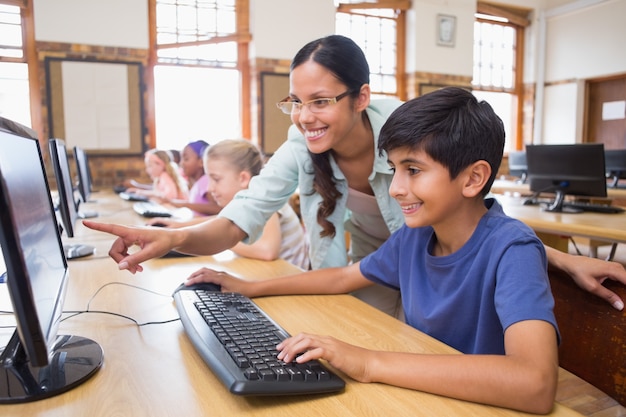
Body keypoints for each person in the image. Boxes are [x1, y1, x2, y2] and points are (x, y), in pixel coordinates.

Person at [84, 34, 626, 313]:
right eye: (295, 101)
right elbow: (237, 221)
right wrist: (171, 238)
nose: (303, 117)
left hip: (429, 267)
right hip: (377, 267)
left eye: (320, 101)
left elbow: (474, 220)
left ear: (361, 97)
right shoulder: (301, 144)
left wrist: (553, 255)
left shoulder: (409, 132)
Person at [183, 88, 559, 413]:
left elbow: (535, 384)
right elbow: (345, 276)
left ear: (473, 178)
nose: (395, 188)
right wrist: (251, 288)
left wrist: (368, 362)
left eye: (413, 170)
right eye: (393, 168)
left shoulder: (513, 250)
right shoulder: (416, 236)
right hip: (423, 397)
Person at [149, 139, 309, 270]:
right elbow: (222, 219)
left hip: (289, 283)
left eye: (216, 179)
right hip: (268, 274)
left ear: (243, 178)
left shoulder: (266, 202)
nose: (210, 188)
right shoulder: (245, 200)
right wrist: (179, 225)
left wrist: (221, 240)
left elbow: (267, 252)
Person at [151, 140, 221, 217]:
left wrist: (182, 204)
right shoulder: (197, 183)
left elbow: (217, 208)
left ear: (201, 162)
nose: (181, 163)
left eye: (186, 159)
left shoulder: (205, 181)